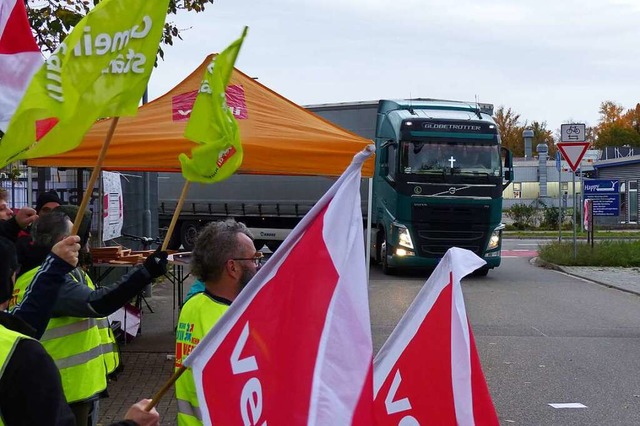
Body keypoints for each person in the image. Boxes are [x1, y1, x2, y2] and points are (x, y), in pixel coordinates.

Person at [10, 207, 168, 426]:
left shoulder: (44, 273)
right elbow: (98, 303)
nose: (84, 243)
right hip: (66, 390)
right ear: (64, 241)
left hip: (68, 386)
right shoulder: (50, 280)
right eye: (79, 238)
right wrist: (146, 272)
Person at [175, 219, 261, 425]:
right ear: (232, 267)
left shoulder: (192, 305)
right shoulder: (232, 324)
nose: (257, 265)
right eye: (254, 258)